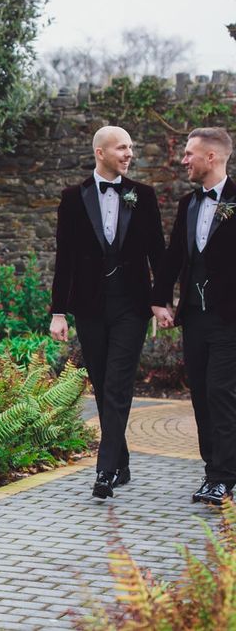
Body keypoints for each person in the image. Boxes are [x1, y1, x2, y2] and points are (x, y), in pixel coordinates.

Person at [50, 125, 165, 499]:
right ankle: (122, 461)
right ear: (100, 152)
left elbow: (158, 253)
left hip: (132, 305)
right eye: (122, 148)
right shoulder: (73, 198)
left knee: (117, 383)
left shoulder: (143, 196)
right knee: (101, 383)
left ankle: (105, 471)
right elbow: (64, 258)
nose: (129, 154)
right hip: (89, 306)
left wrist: (161, 299)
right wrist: (59, 312)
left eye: (131, 147)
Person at [152, 127, 236, 506]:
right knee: (201, 395)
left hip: (230, 319)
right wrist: (159, 300)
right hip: (195, 317)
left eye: (189, 154)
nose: (183, 160)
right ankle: (212, 471)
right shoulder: (188, 203)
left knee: (220, 393)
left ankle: (223, 477)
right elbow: (174, 257)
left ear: (212, 157)